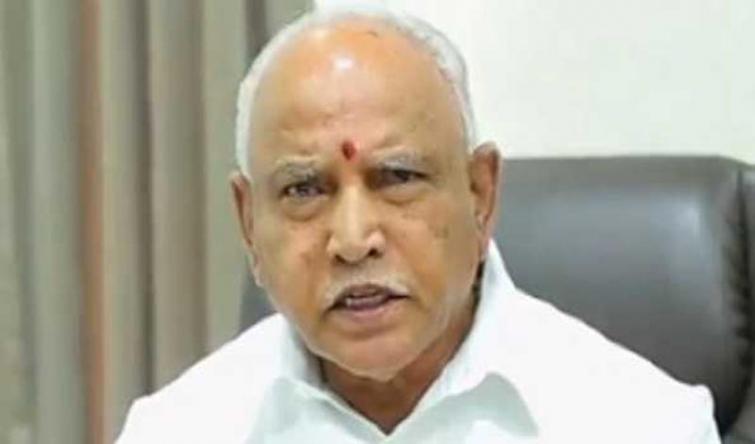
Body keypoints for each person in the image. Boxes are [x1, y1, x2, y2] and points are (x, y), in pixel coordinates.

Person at [117, 5, 720, 443]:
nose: (354, 241)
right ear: (249, 222)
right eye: (304, 190)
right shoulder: (179, 429)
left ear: (480, 194)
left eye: (397, 177)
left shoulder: (641, 422)